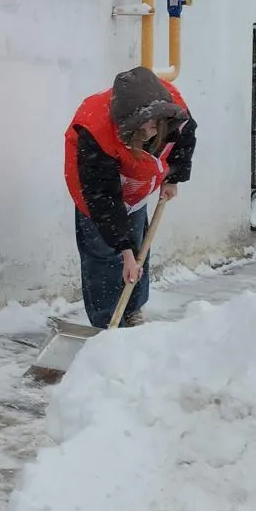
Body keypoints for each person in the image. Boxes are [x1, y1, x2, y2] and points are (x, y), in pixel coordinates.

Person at [63, 66, 195, 330]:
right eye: (141, 127)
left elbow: (185, 141)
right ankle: (107, 324)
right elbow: (103, 197)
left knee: (138, 247)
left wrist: (174, 177)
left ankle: (132, 310)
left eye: (152, 124)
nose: (149, 130)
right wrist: (124, 252)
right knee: (104, 251)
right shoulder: (95, 129)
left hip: (138, 181)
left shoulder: (173, 109)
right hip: (98, 189)